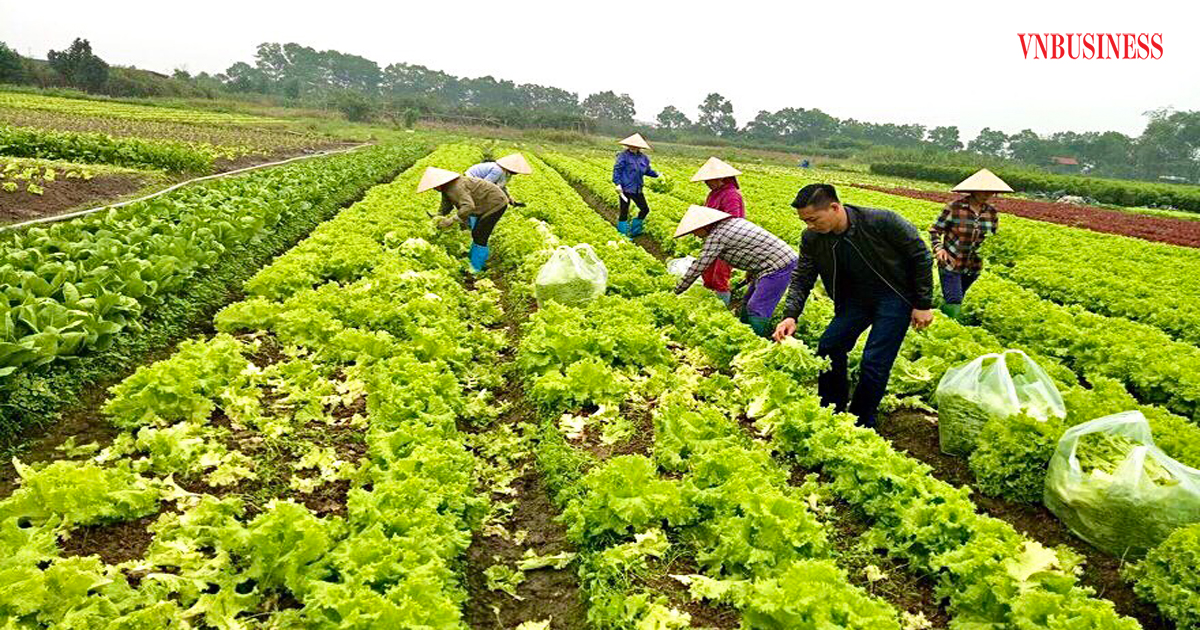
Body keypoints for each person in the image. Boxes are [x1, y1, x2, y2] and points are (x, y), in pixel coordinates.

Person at [773, 184, 934, 428]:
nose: (810, 226)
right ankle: (830, 409)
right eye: (805, 221)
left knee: (874, 361)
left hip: (893, 296)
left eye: (814, 219)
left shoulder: (882, 221)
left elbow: (920, 256)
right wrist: (790, 315)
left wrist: (923, 303)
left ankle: (861, 420)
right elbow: (802, 277)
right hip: (854, 300)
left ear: (835, 207)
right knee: (829, 345)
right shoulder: (813, 238)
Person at [673, 205, 798, 337]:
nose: (695, 235)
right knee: (747, 302)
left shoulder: (717, 236)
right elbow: (753, 248)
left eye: (694, 231)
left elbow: (699, 266)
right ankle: (743, 333)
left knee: (756, 307)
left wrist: (677, 290)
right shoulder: (730, 224)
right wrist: (751, 270)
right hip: (769, 264)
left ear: (703, 226)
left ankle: (757, 341)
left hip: (779, 266)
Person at [928, 168, 1011, 320]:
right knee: (955, 299)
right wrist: (939, 249)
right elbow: (935, 230)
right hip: (951, 262)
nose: (987, 195)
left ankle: (940, 317)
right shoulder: (954, 207)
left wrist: (1003, 255)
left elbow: (994, 239)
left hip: (974, 266)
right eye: (984, 191)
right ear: (974, 190)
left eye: (991, 192)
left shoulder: (991, 213)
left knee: (957, 296)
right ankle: (947, 326)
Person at [416, 166, 510, 272]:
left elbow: (468, 206)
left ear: (438, 184)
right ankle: (474, 260)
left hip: (495, 203)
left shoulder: (456, 187)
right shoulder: (447, 188)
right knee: (477, 232)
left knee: (480, 235)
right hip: (486, 203)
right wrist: (438, 215)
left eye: (433, 186)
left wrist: (451, 220)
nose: (433, 189)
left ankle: (476, 267)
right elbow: (446, 205)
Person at [690, 157, 746, 306]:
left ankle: (721, 309)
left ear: (720, 178)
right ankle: (708, 304)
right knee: (707, 274)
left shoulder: (731, 195)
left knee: (720, 277)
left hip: (729, 243)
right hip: (713, 240)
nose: (706, 183)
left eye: (709, 180)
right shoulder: (713, 193)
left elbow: (734, 221)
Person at [612, 133, 659, 237]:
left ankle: (635, 230)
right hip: (625, 188)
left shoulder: (644, 158)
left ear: (639, 147)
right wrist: (618, 184)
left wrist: (657, 175)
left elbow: (647, 170)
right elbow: (617, 170)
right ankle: (622, 234)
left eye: (636, 146)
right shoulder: (623, 156)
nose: (633, 147)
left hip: (637, 188)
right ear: (628, 146)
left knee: (645, 209)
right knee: (624, 211)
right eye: (631, 145)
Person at [465, 153, 533, 225]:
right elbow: (485, 185)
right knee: (480, 202)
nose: (517, 173)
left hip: (480, 183)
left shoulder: (506, 173)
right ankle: (470, 221)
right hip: (471, 181)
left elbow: (502, 186)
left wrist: (509, 198)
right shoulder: (497, 170)